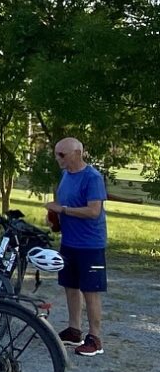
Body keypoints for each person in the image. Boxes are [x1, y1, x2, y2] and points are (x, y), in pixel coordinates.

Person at [45, 137, 108, 357]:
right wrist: (54, 217)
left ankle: (95, 338)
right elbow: (64, 203)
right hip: (69, 242)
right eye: (56, 154)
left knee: (90, 291)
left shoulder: (92, 178)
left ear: (77, 153)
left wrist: (62, 210)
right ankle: (74, 330)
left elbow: (93, 211)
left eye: (61, 155)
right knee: (70, 286)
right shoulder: (65, 176)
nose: (57, 159)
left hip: (90, 244)